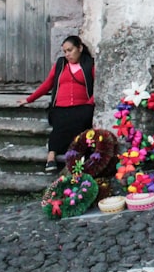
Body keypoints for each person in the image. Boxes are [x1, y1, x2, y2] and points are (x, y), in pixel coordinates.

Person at [19, 35, 96, 173]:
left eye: (70, 50)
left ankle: (75, 156)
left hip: (82, 106)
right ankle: (51, 156)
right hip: (60, 107)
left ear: (80, 48)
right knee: (61, 120)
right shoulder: (60, 64)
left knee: (81, 118)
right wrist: (29, 99)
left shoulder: (89, 64)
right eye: (65, 51)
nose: (67, 54)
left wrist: (90, 103)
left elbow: (99, 86)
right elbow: (48, 84)